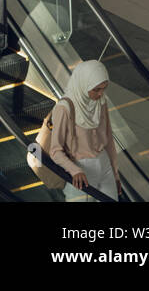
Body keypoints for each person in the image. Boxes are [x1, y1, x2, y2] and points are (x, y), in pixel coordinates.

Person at [49, 59, 122, 202]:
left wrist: (115, 175)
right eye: (96, 89)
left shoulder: (101, 102)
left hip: (104, 164)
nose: (101, 94)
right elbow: (55, 151)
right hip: (81, 169)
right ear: (83, 84)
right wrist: (75, 170)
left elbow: (109, 141)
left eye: (104, 88)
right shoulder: (64, 108)